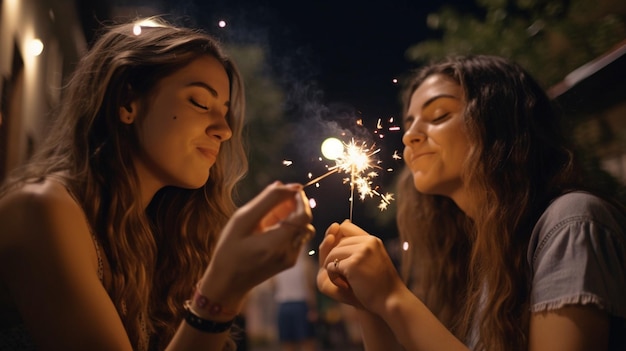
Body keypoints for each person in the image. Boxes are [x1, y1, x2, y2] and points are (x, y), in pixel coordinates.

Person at [0, 18, 315, 351]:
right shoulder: (40, 209)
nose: (224, 130)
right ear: (127, 103)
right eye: (200, 103)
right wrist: (222, 288)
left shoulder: (151, 236)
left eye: (225, 112)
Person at [317, 55, 626, 351]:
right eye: (408, 123)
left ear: (499, 122)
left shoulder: (570, 222)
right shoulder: (480, 251)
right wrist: (369, 306)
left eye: (439, 115)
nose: (409, 136)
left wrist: (392, 298)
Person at [271, 246, 318, 351]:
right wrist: (313, 309)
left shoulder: (279, 266)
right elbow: (310, 289)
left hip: (284, 305)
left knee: (288, 342)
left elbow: (273, 286)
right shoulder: (305, 264)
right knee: (306, 341)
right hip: (300, 305)